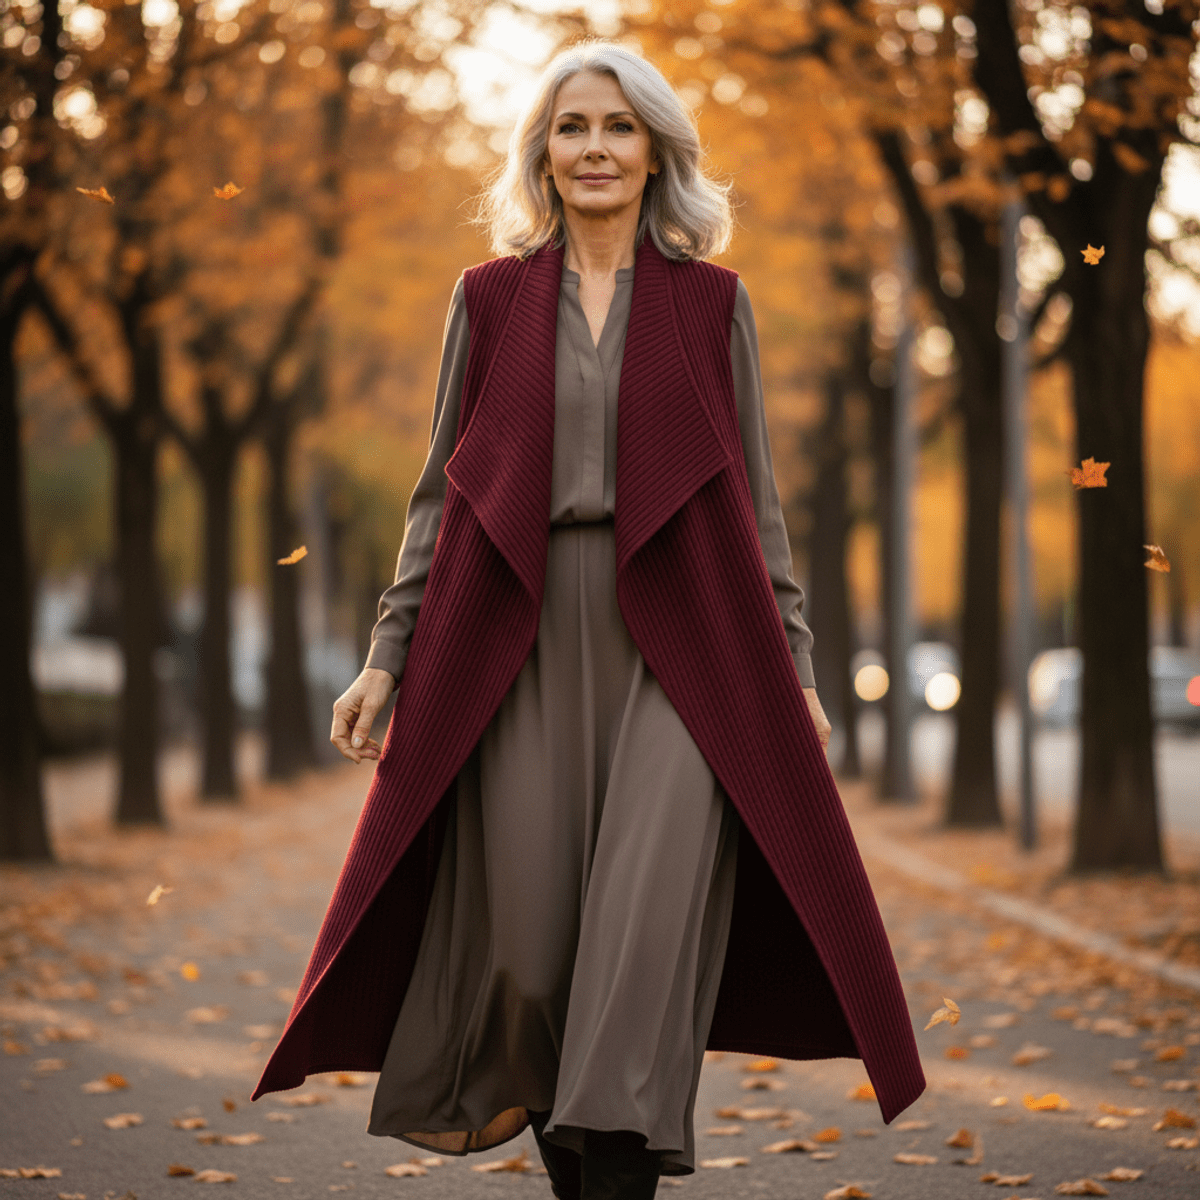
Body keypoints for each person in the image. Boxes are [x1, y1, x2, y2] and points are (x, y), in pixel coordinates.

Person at [252, 40, 924, 1200]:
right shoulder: (492, 297)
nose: (596, 148)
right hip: (515, 641)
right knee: (525, 960)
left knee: (640, 948)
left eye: (618, 127)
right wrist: (385, 657)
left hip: (686, 647)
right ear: (544, 153)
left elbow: (752, 500)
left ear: (656, 150)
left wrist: (793, 662)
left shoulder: (712, 304)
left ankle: (617, 1183)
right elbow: (440, 492)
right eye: (573, 127)